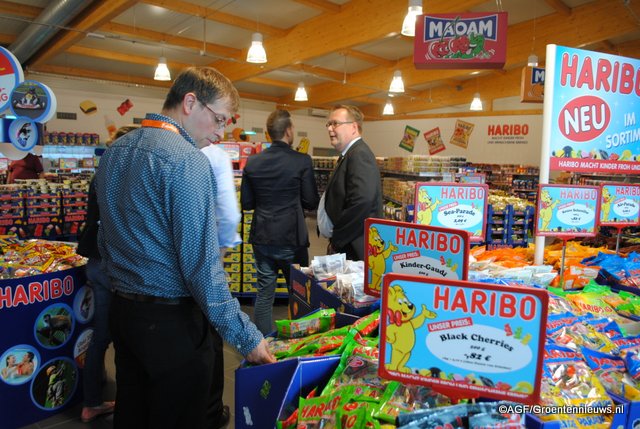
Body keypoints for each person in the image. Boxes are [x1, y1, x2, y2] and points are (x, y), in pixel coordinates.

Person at [95, 66, 275, 429]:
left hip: (124, 314)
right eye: (219, 119)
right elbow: (201, 267)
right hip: (171, 326)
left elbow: (104, 238)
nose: (221, 132)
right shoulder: (187, 161)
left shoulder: (116, 151)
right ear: (190, 102)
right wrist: (246, 337)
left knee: (132, 413)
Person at [76, 125, 137, 424]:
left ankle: (92, 402)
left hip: (95, 260)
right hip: (115, 264)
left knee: (101, 336)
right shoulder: (125, 176)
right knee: (125, 339)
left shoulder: (101, 173)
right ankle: (128, 405)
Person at [241, 109, 319, 335]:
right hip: (292, 239)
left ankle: (264, 342)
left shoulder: (253, 162)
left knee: (265, 294)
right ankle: (298, 343)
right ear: (289, 131)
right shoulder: (301, 161)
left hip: (262, 237)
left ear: (268, 134)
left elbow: (247, 203)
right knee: (299, 294)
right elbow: (310, 201)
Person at [199, 143, 242, 427]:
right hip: (207, 257)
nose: (219, 129)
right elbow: (229, 214)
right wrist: (222, 252)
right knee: (210, 333)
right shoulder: (215, 155)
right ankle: (211, 411)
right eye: (218, 121)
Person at [322, 104, 382, 261]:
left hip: (355, 248)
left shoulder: (359, 154)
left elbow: (362, 201)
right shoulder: (349, 154)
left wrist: (338, 238)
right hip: (349, 245)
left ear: (354, 127)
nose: (330, 128)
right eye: (329, 124)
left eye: (335, 123)